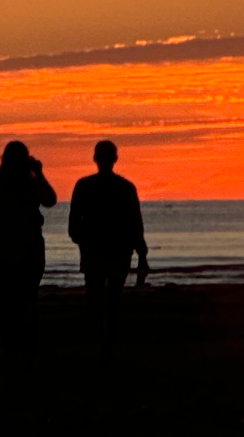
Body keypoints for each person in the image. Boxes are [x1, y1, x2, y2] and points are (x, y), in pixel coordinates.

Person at [0, 141, 57, 353]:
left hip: (8, 250)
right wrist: (39, 173)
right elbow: (49, 199)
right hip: (26, 249)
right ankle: (25, 347)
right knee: (26, 300)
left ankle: (13, 346)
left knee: (7, 302)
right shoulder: (26, 183)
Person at [68, 140, 148, 352]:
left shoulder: (85, 186)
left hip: (97, 251)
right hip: (116, 251)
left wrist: (83, 241)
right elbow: (135, 223)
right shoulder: (125, 187)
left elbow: (74, 225)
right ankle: (108, 341)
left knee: (96, 299)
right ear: (115, 159)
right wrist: (141, 253)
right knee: (112, 300)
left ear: (95, 158)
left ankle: (101, 340)